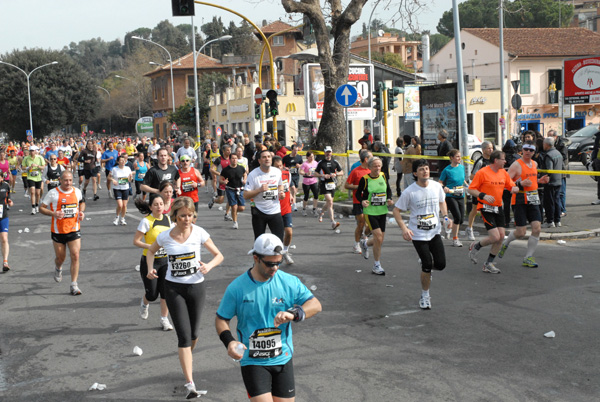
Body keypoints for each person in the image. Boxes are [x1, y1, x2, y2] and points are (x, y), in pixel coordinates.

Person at [215, 234, 322, 402]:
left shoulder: (289, 282)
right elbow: (221, 319)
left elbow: (315, 305)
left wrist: (293, 313)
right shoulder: (237, 288)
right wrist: (229, 341)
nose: (275, 268)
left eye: (278, 263)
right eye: (270, 264)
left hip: (283, 358)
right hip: (253, 361)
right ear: (256, 258)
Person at [146, 196, 223, 399]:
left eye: (189, 216)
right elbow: (150, 252)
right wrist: (150, 269)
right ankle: (190, 383)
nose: (186, 219)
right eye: (182, 216)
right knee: (183, 337)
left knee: (194, 334)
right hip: (174, 289)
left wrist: (209, 265)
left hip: (196, 288)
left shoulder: (199, 233)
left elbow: (219, 255)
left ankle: (186, 354)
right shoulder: (165, 236)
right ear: (174, 217)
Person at [393, 159, 449, 310]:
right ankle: (425, 295)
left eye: (427, 168)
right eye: (422, 169)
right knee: (426, 265)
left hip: (434, 231)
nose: (425, 171)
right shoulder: (410, 191)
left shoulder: (436, 186)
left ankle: (426, 264)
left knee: (441, 265)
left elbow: (442, 202)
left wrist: (445, 217)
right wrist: (404, 228)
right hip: (418, 234)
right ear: (415, 173)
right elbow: (396, 211)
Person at [498, 141, 550, 268]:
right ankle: (506, 242)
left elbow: (531, 181)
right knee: (521, 232)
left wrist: (540, 181)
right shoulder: (516, 165)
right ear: (522, 150)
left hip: (533, 199)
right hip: (520, 200)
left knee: (537, 228)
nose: (528, 152)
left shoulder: (535, 164)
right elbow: (505, 183)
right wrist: (520, 184)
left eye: (531, 150)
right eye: (526, 149)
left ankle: (528, 257)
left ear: (534, 152)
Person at [467, 151, 519, 274]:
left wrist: (516, 188)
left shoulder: (503, 173)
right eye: (503, 159)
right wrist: (482, 195)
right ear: (496, 160)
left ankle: (488, 264)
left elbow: (511, 186)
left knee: (501, 237)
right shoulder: (482, 172)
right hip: (486, 207)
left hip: (498, 207)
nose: (505, 161)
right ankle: (476, 246)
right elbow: (471, 189)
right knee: (495, 237)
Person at [39, 171, 85, 295]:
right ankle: (58, 268)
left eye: (70, 180)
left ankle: (74, 285)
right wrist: (53, 213)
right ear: (60, 179)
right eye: (65, 180)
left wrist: (81, 212)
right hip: (58, 231)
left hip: (74, 229)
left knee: (75, 255)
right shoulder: (53, 193)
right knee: (61, 258)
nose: (68, 183)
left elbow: (82, 202)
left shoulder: (77, 191)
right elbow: (41, 208)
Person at [133, 194, 174, 331]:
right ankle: (145, 304)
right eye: (155, 204)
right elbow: (136, 241)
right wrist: (151, 247)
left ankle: (164, 319)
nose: (159, 207)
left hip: (165, 262)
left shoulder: (168, 220)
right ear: (150, 207)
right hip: (149, 261)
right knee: (152, 295)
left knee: (165, 293)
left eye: (161, 204)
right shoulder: (146, 221)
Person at [356, 156, 393, 275]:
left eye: (379, 166)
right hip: (370, 212)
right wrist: (362, 200)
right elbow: (358, 193)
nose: (377, 168)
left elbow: (388, 190)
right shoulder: (365, 179)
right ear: (370, 167)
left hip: (382, 211)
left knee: (380, 240)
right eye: (375, 166)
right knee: (378, 237)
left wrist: (390, 198)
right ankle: (376, 265)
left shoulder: (383, 175)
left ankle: (365, 243)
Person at [244, 149, 285, 241]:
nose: (267, 159)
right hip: (259, 211)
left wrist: (280, 192)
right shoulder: (253, 175)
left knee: (279, 240)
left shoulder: (277, 172)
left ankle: (279, 255)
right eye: (264, 157)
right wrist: (259, 190)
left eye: (269, 157)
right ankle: (258, 255)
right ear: (259, 161)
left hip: (275, 210)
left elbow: (280, 185)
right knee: (259, 241)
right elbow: (245, 195)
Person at [345, 150, 372, 254]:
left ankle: (364, 237)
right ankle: (356, 244)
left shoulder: (372, 171)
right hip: (358, 201)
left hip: (370, 201)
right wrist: (358, 187)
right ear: (366, 159)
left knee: (370, 225)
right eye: (371, 158)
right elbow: (346, 185)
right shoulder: (356, 171)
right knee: (361, 223)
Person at [465, 141, 494, 241]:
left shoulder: (493, 161)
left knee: (491, 209)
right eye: (489, 148)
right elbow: (472, 176)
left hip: (490, 189)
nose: (491, 150)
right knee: (475, 210)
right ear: (483, 150)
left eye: (492, 148)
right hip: (478, 190)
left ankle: (495, 230)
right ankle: (469, 228)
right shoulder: (480, 161)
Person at [439, 149, 467, 247]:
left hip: (460, 195)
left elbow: (463, 180)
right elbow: (440, 183)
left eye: (460, 156)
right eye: (457, 156)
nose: (460, 158)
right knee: (457, 217)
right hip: (450, 196)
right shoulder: (447, 170)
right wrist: (444, 187)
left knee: (461, 220)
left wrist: (468, 186)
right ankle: (455, 239)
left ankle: (449, 225)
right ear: (451, 158)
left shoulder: (462, 168)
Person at [272, 156, 295, 264]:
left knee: (289, 232)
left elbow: (289, 187)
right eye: (277, 166)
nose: (279, 168)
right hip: (274, 208)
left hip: (286, 207)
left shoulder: (287, 174)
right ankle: (278, 255)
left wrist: (291, 195)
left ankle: (285, 251)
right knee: (278, 235)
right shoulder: (270, 176)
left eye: (280, 166)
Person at [314, 146, 343, 228]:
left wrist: (336, 174)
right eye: (327, 152)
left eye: (329, 152)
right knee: (330, 201)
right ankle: (333, 222)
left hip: (332, 184)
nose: (328, 154)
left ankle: (321, 212)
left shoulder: (335, 162)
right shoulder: (321, 162)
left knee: (329, 203)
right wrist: (322, 175)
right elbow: (315, 174)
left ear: (331, 152)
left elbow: (342, 172)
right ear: (324, 153)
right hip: (324, 183)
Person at [541, 137, 564, 228]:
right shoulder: (558, 153)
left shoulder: (549, 155)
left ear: (546, 145)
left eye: (543, 144)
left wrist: (544, 177)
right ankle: (557, 220)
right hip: (558, 180)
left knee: (549, 202)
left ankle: (550, 221)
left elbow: (549, 170)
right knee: (557, 201)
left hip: (550, 182)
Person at [220, 153, 247, 230]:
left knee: (241, 208)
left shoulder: (241, 168)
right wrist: (224, 182)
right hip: (230, 189)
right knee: (234, 206)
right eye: (233, 158)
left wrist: (245, 179)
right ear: (230, 159)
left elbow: (245, 174)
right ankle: (235, 222)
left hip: (240, 189)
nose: (234, 160)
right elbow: (220, 179)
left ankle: (233, 212)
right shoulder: (226, 170)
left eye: (236, 158)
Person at [547, 129, 569, 216]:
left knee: (561, 192)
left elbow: (562, 157)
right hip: (555, 171)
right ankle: (557, 210)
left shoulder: (561, 145)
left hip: (561, 170)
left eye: (551, 136)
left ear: (555, 137)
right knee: (555, 193)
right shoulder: (550, 145)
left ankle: (563, 210)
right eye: (548, 135)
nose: (549, 137)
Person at [108, 155, 134, 226]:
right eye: (121, 160)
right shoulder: (114, 169)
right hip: (117, 188)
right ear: (118, 161)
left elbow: (129, 179)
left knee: (124, 205)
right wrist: (113, 180)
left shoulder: (128, 168)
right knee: (120, 205)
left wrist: (130, 178)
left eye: (124, 160)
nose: (123, 162)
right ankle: (117, 217)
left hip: (125, 188)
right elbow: (109, 177)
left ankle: (122, 219)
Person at [501, 140, 520, 227]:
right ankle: (517, 220)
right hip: (515, 183)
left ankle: (506, 221)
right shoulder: (517, 157)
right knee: (515, 203)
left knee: (506, 203)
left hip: (505, 184)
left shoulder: (502, 157)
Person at [22, 145, 46, 214]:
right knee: (32, 192)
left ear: (35, 151)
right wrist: (28, 168)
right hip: (30, 177)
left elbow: (43, 167)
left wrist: (37, 166)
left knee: (38, 193)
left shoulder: (40, 158)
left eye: (33, 151)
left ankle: (36, 206)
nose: (32, 152)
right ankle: (33, 208)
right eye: (31, 151)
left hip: (38, 177)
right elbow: (23, 167)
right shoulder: (26, 158)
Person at [208, 145, 231, 214]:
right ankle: (214, 200)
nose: (229, 151)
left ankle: (227, 214)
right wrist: (219, 174)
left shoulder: (232, 158)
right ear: (223, 151)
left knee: (231, 199)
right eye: (227, 150)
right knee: (220, 200)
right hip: (222, 182)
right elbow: (211, 169)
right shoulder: (219, 159)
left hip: (231, 181)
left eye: (230, 150)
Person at [282, 144, 303, 211]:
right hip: (288, 175)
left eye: (297, 150)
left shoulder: (299, 157)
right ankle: (294, 205)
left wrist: (299, 165)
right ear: (291, 150)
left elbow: (302, 164)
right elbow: (281, 165)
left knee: (294, 191)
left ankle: (292, 202)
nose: (296, 152)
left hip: (296, 175)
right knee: (293, 189)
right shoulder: (286, 158)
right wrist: (285, 168)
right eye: (294, 150)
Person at [299, 151, 319, 216]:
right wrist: (306, 173)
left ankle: (314, 209)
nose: (312, 158)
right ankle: (304, 209)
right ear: (307, 157)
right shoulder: (305, 164)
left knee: (316, 195)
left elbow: (318, 170)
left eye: (313, 157)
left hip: (314, 181)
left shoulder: (316, 163)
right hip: (306, 182)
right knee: (306, 196)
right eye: (310, 157)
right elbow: (300, 171)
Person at [0, 172, 13, 271]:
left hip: (3, 215)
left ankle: (5, 262)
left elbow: (8, 198)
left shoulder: (6, 185)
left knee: (4, 238)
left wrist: (10, 202)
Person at [591, 130, 600, 205]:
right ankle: (599, 198)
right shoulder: (598, 136)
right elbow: (595, 148)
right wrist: (593, 159)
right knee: (599, 180)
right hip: (598, 160)